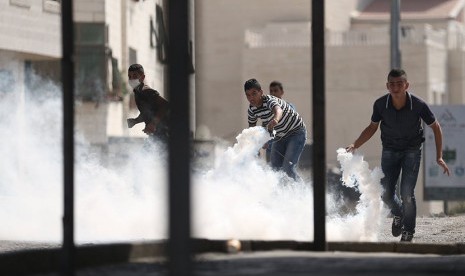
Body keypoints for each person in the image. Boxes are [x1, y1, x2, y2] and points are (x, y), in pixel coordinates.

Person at [346, 69, 450, 242]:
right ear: (387, 86)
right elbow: (372, 127)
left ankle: (408, 232)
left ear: (406, 85)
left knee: (407, 193)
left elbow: (436, 127)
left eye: (399, 84)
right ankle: (399, 214)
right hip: (390, 150)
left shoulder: (418, 105)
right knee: (385, 193)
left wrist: (439, 156)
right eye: (392, 84)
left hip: (412, 151)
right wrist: (355, 144)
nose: (395, 87)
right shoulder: (380, 104)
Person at [244, 78, 307, 181]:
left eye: (254, 94)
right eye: (248, 95)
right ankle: (281, 195)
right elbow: (253, 130)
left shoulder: (269, 100)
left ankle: (305, 193)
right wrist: (257, 145)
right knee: (275, 171)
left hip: (295, 133)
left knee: (288, 168)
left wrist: (276, 120)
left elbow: (278, 110)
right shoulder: (252, 109)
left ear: (261, 92)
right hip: (279, 137)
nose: (251, 98)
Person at [126, 63, 169, 142]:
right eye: (129, 77)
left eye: (135, 76)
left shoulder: (146, 91)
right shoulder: (138, 93)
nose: (131, 79)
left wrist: (153, 124)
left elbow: (165, 105)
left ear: (142, 77)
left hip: (165, 133)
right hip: (157, 135)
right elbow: (147, 113)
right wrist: (135, 121)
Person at [264, 81, 296, 162]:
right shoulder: (267, 109)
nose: (273, 93)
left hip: (285, 148)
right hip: (271, 148)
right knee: (271, 172)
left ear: (281, 92)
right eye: (271, 91)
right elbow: (265, 127)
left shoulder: (289, 107)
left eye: (275, 90)